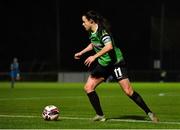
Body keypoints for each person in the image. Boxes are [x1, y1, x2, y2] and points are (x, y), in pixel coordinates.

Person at [74, 10, 158, 122]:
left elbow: (109, 47)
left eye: (84, 21)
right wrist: (82, 52)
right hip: (104, 65)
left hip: (115, 63)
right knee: (88, 87)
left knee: (128, 91)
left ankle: (149, 112)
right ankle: (100, 115)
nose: (82, 24)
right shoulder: (91, 32)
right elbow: (93, 43)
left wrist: (94, 57)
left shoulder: (103, 32)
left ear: (91, 21)